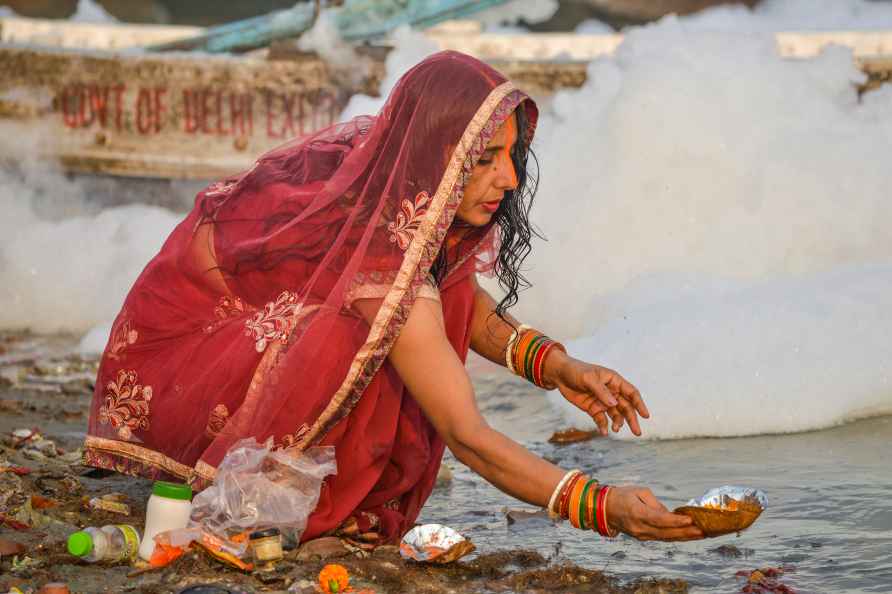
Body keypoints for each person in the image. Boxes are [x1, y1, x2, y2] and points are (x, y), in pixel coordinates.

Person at [84, 51, 703, 545]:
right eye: (483, 160)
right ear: (439, 157)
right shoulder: (381, 268)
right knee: (363, 329)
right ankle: (287, 499)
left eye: (509, 156)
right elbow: (468, 435)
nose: (509, 179)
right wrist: (602, 506)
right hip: (209, 390)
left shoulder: (396, 197)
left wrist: (559, 366)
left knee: (433, 301)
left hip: (288, 345)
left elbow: (457, 300)